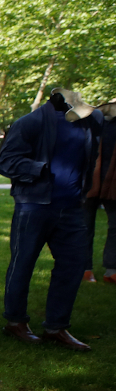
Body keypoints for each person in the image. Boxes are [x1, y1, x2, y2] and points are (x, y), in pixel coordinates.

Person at [0, 88, 102, 351]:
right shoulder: (30, 122)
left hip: (72, 207)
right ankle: (15, 322)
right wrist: (40, 168)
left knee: (74, 264)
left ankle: (57, 327)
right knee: (22, 264)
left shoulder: (87, 123)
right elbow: (6, 162)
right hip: (34, 205)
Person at [83, 101, 116, 283]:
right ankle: (84, 268)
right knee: (85, 226)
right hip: (89, 183)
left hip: (112, 186)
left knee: (115, 228)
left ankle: (111, 269)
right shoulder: (92, 122)